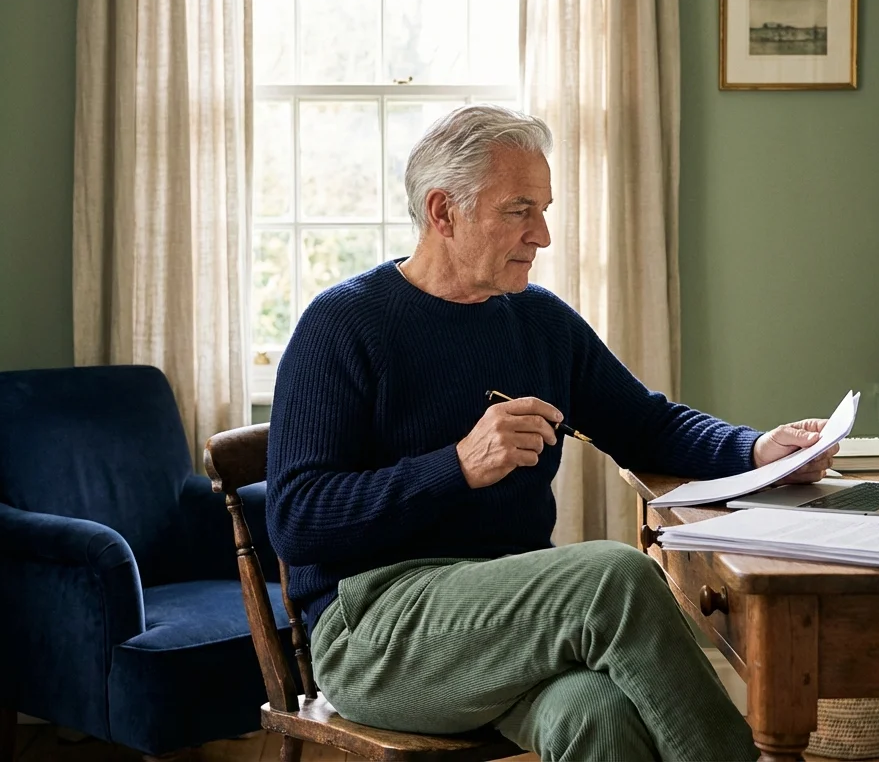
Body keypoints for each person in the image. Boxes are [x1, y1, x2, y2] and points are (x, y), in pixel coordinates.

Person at [265, 104, 835, 761]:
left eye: (544, 208)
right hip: (374, 632)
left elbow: (645, 423)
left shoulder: (537, 321)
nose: (543, 234)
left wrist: (757, 449)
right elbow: (297, 520)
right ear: (442, 212)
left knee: (597, 715)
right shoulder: (343, 324)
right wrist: (457, 465)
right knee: (615, 576)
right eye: (519, 210)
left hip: (512, 618)